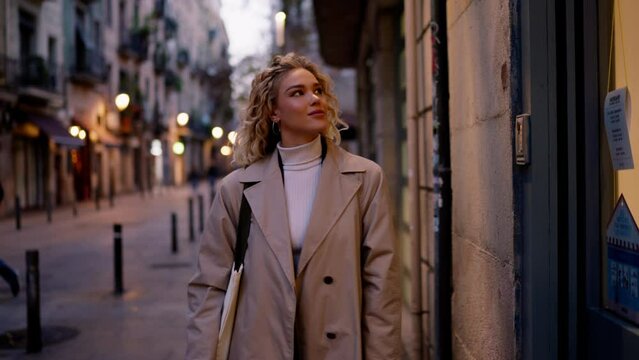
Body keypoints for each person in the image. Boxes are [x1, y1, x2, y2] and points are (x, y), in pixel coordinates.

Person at [186, 53, 401, 359]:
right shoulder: (238, 189)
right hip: (260, 346)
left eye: (318, 90)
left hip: (337, 346)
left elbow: (382, 287)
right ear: (274, 111)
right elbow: (209, 287)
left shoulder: (365, 178)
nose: (315, 99)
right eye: (298, 93)